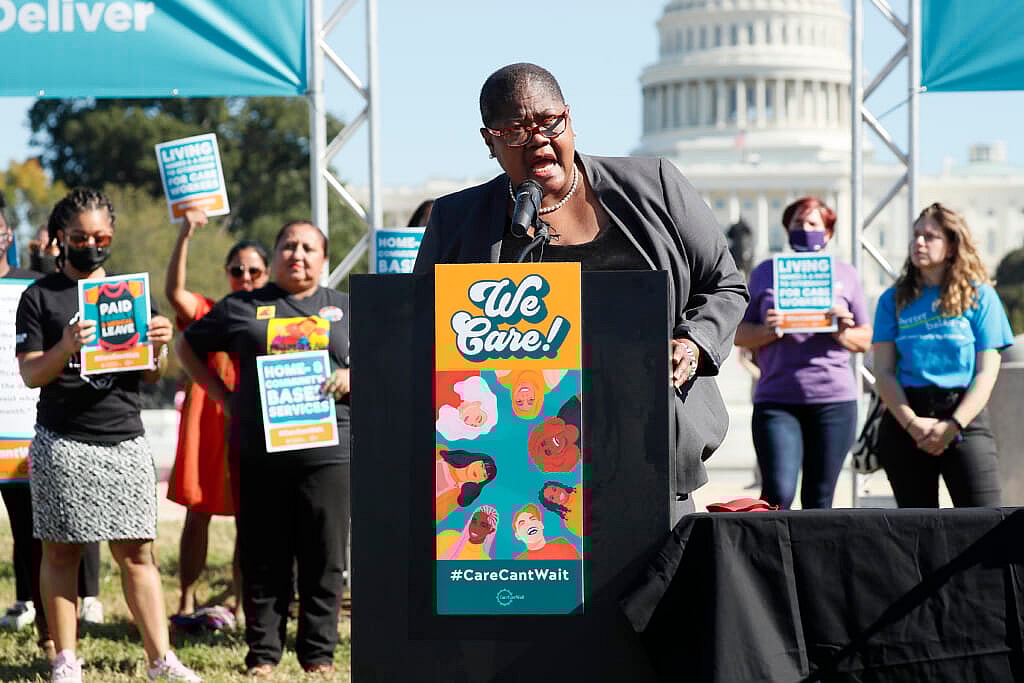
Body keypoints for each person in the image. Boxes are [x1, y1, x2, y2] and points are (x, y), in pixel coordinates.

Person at [413, 63, 748, 520]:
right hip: (521, 467)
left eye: (550, 122)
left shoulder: (657, 187)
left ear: (569, 119)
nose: (538, 139)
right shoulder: (457, 220)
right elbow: (420, 330)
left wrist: (693, 343)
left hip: (649, 447)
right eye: (514, 131)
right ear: (489, 140)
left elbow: (724, 284)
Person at [15, 187, 201, 682]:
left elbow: (150, 377)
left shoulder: (131, 293)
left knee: (138, 553)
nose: (92, 245)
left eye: (101, 237)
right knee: (60, 551)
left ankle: (161, 659)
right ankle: (65, 658)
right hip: (63, 440)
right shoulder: (38, 297)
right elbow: (32, 373)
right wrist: (66, 344)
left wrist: (160, 347)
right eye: (79, 237)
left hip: (124, 438)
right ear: (59, 239)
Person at [175, 220, 351, 677]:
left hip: (328, 455)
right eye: (288, 245)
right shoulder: (242, 306)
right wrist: (221, 396)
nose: (298, 254)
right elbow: (187, 346)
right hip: (259, 453)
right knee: (262, 555)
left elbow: (384, 358)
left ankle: (318, 654)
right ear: (274, 256)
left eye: (309, 247)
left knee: (324, 556)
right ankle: (263, 654)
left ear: (324, 258)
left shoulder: (347, 308)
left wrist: (354, 377)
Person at [164, 208, 269, 623]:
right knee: (197, 513)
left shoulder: (275, 316)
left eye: (254, 272)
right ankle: (186, 600)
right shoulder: (213, 311)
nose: (245, 278)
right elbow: (175, 293)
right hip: (208, 424)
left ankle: (245, 607)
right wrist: (185, 235)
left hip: (254, 425)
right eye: (237, 270)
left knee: (252, 519)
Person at [871, 203, 1014, 508]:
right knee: (917, 535)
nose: (919, 242)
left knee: (986, 525)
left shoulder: (981, 296)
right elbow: (883, 372)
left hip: (964, 417)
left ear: (951, 246)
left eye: (930, 236)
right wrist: (911, 423)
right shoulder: (892, 299)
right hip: (907, 418)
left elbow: (986, 373)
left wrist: (953, 426)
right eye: (916, 235)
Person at [734, 197, 872, 509]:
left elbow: (865, 338)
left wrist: (842, 331)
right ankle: (772, 557)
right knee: (778, 493)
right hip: (777, 399)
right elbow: (739, 334)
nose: (805, 229)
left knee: (819, 499)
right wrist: (768, 331)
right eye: (798, 224)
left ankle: (814, 559)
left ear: (828, 233)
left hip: (834, 401)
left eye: (813, 224)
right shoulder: (765, 272)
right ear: (786, 230)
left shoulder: (845, 274)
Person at [434, 446, 497, 522]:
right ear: (475, 460)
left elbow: (437, 515)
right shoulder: (442, 453)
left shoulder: (456, 496)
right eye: (482, 466)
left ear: (479, 482)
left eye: (484, 475)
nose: (480, 472)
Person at [511, 504, 580, 560]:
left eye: (533, 519)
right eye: (522, 523)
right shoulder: (520, 560)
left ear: (541, 525)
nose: (529, 524)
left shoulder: (561, 544)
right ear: (517, 535)